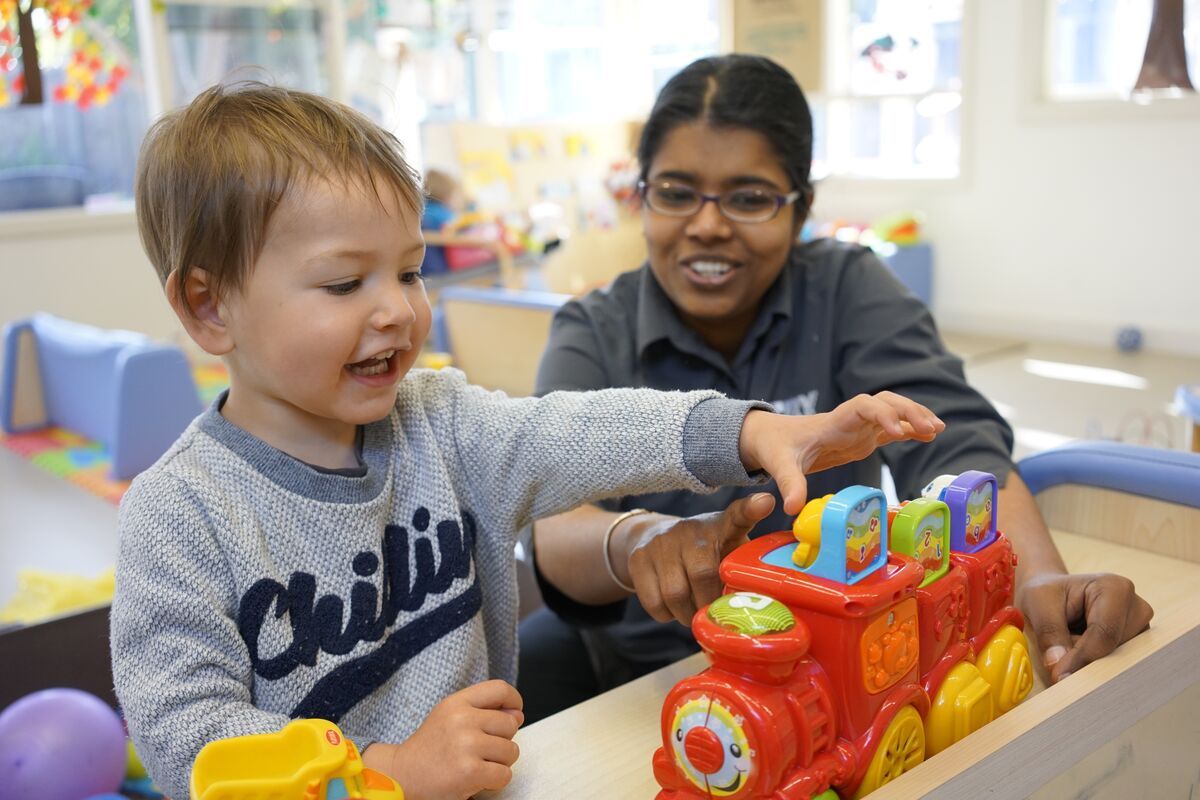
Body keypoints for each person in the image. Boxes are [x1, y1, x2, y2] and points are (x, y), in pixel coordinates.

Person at [109, 82, 946, 800]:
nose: (397, 309)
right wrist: (388, 771)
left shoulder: (438, 421)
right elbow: (188, 741)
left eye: (410, 271)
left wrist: (752, 430)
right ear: (209, 307)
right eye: (344, 282)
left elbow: (577, 431)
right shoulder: (180, 514)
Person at [518, 53, 1154, 723]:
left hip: (836, 665)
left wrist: (1040, 577)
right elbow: (554, 526)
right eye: (676, 193)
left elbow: (954, 442)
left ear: (801, 209)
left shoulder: (847, 289)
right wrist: (636, 540)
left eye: (749, 198)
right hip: (646, 677)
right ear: (641, 196)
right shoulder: (594, 329)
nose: (707, 224)